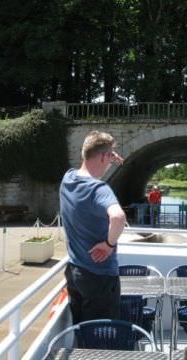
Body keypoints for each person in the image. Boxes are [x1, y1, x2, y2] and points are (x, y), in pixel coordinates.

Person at [59, 130, 126, 325]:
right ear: (105, 156)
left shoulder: (68, 179)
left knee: (81, 329)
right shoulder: (99, 189)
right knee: (101, 335)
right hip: (100, 277)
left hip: (75, 272)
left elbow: (93, 157)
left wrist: (107, 154)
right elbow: (118, 217)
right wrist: (108, 244)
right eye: (109, 155)